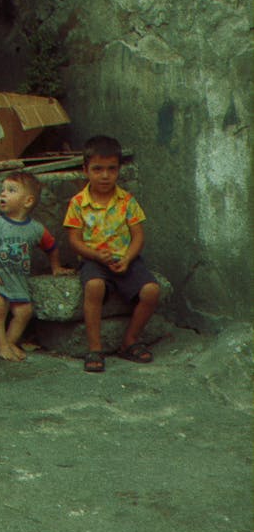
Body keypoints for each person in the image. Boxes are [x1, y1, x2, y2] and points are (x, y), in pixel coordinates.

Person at [63, 135, 160, 372]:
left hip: (126, 259)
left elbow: (138, 235)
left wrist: (127, 258)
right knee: (94, 285)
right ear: (85, 170)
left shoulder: (126, 201)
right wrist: (95, 256)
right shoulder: (78, 203)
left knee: (152, 291)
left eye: (111, 169)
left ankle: (130, 341)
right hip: (94, 260)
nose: (105, 175)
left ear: (118, 170)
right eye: (97, 169)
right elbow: (74, 240)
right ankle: (95, 348)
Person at [0, 171, 73, 362]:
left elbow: (51, 247)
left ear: (27, 201)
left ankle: (10, 341)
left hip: (17, 281)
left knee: (24, 311)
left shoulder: (36, 229)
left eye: (11, 190)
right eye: (2, 190)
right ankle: (1, 345)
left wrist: (56, 267)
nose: (3, 194)